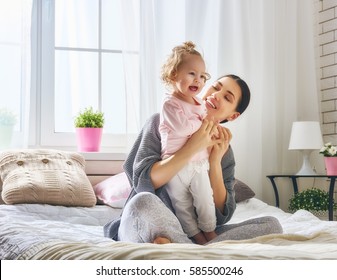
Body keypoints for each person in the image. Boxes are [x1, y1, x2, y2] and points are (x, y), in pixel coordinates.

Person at [104, 73, 283, 244]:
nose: (216, 95)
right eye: (215, 87)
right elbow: (143, 183)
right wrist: (193, 147)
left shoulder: (223, 148)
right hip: (152, 219)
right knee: (141, 203)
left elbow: (222, 214)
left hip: (202, 233)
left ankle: (181, 245)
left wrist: (214, 162)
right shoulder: (161, 121)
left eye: (227, 97)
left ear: (232, 115)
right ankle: (201, 247)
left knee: (272, 225)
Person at [159, 41, 216, 244]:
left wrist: (205, 123)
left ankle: (210, 231)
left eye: (202, 76)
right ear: (174, 75)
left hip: (198, 163)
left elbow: (207, 128)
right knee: (181, 204)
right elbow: (183, 128)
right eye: (192, 74)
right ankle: (195, 235)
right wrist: (202, 123)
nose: (198, 80)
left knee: (204, 199)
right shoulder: (170, 103)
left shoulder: (200, 103)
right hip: (175, 165)